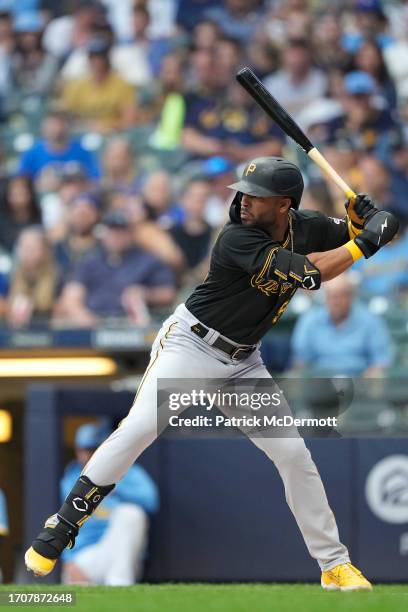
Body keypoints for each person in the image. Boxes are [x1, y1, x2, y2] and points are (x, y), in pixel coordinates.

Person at [25, 156, 399, 590]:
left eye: (256, 196)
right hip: (192, 346)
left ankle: (334, 566)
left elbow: (356, 232)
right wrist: (365, 242)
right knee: (140, 427)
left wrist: (367, 221)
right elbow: (311, 275)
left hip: (244, 363)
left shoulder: (307, 224)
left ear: (284, 205)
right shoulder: (236, 238)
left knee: (294, 456)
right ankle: (62, 523)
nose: (243, 201)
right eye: (243, 191)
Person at [61, 422, 159, 585]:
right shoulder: (70, 480)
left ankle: (120, 588)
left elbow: (151, 501)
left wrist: (116, 487)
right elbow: (60, 523)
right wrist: (68, 561)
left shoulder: (127, 472)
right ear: (78, 451)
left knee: (131, 513)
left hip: (120, 555)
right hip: (85, 557)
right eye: (85, 450)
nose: (89, 455)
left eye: (94, 449)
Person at [57, 210, 176, 327]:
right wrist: (82, 316)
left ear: (130, 234)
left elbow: (168, 293)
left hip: (132, 323)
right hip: (94, 321)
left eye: (121, 232)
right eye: (112, 232)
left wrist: (146, 293)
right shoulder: (89, 261)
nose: (116, 237)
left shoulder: (148, 260)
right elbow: (72, 295)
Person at [291, 273, 393, 377]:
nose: (336, 302)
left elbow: (381, 361)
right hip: (320, 381)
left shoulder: (370, 320)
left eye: (341, 296)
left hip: (359, 381)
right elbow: (301, 361)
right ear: (325, 298)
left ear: (351, 296)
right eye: (331, 296)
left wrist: (370, 378)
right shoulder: (310, 320)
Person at [60, 37, 135, 133]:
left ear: (108, 59)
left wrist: (107, 126)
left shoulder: (122, 86)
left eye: (101, 58)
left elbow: (129, 120)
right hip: (81, 131)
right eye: (93, 58)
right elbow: (64, 114)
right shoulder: (77, 85)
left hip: (112, 133)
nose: (97, 62)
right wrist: (85, 125)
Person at [17, 109, 101, 186]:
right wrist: (40, 184)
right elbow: (21, 184)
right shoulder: (32, 153)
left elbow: (95, 180)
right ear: (44, 127)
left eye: (60, 124)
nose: (56, 129)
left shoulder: (82, 152)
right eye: (52, 125)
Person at [7, 226, 61, 328]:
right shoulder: (13, 275)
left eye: (33, 248)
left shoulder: (58, 276)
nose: (28, 253)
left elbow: (59, 310)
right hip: (19, 334)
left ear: (45, 251)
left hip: (49, 330)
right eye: (24, 248)